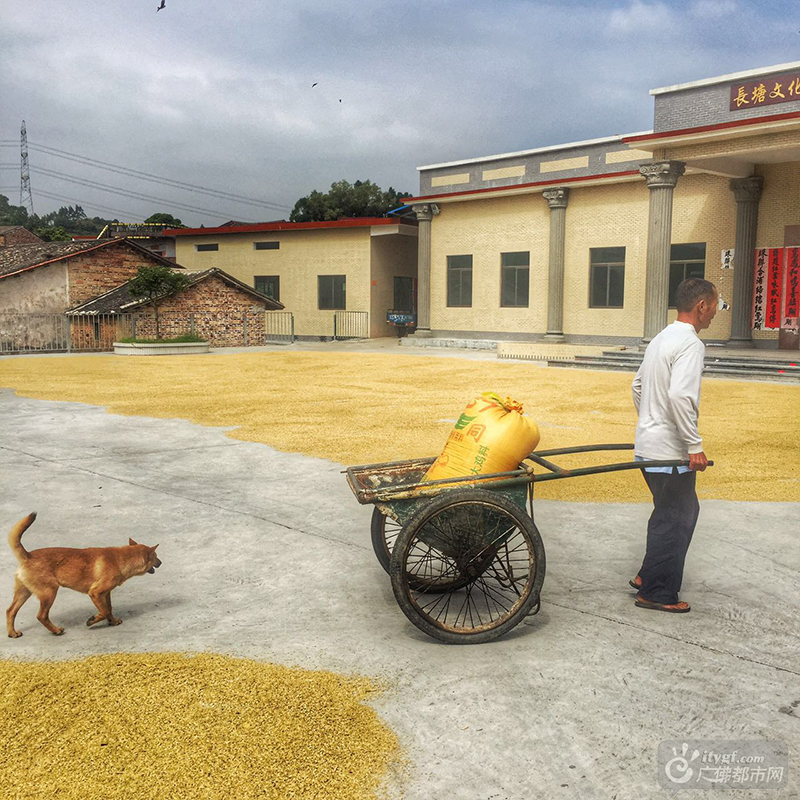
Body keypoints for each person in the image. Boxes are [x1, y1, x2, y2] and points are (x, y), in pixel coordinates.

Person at [630, 278, 718, 613]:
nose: (714, 312)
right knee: (678, 516)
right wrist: (693, 444)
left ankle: (647, 576)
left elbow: (637, 385)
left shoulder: (662, 337)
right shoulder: (691, 344)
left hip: (648, 447)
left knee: (669, 512)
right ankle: (657, 592)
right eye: (714, 305)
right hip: (670, 452)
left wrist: (651, 421)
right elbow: (681, 395)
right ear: (701, 306)